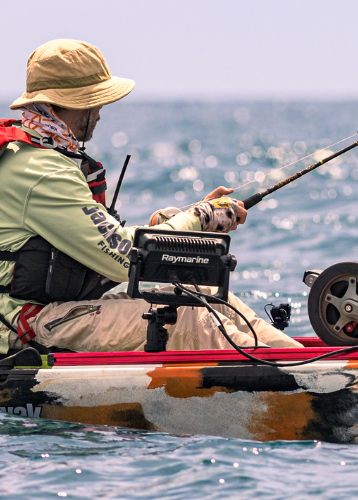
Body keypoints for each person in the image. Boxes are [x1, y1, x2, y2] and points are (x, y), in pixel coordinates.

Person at [0, 39, 303, 354]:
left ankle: (310, 365)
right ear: (62, 104)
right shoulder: (42, 172)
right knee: (185, 318)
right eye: (94, 102)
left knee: (215, 298)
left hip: (59, 312)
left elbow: (98, 241)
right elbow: (123, 258)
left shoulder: (40, 157)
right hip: (25, 325)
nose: (100, 113)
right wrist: (200, 218)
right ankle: (308, 387)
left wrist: (168, 226)